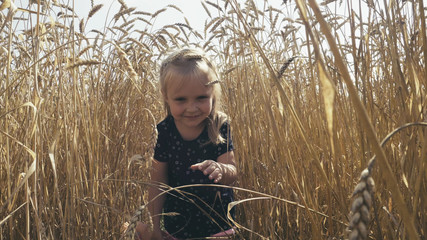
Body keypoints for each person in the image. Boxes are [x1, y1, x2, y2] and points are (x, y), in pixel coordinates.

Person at [132, 48, 238, 240]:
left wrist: (221, 169)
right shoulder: (164, 132)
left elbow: (232, 172)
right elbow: (157, 182)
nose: (192, 107)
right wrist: (155, 226)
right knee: (130, 227)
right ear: (166, 96)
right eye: (181, 99)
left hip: (218, 227)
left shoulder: (219, 125)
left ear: (212, 93)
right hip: (178, 229)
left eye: (201, 98)